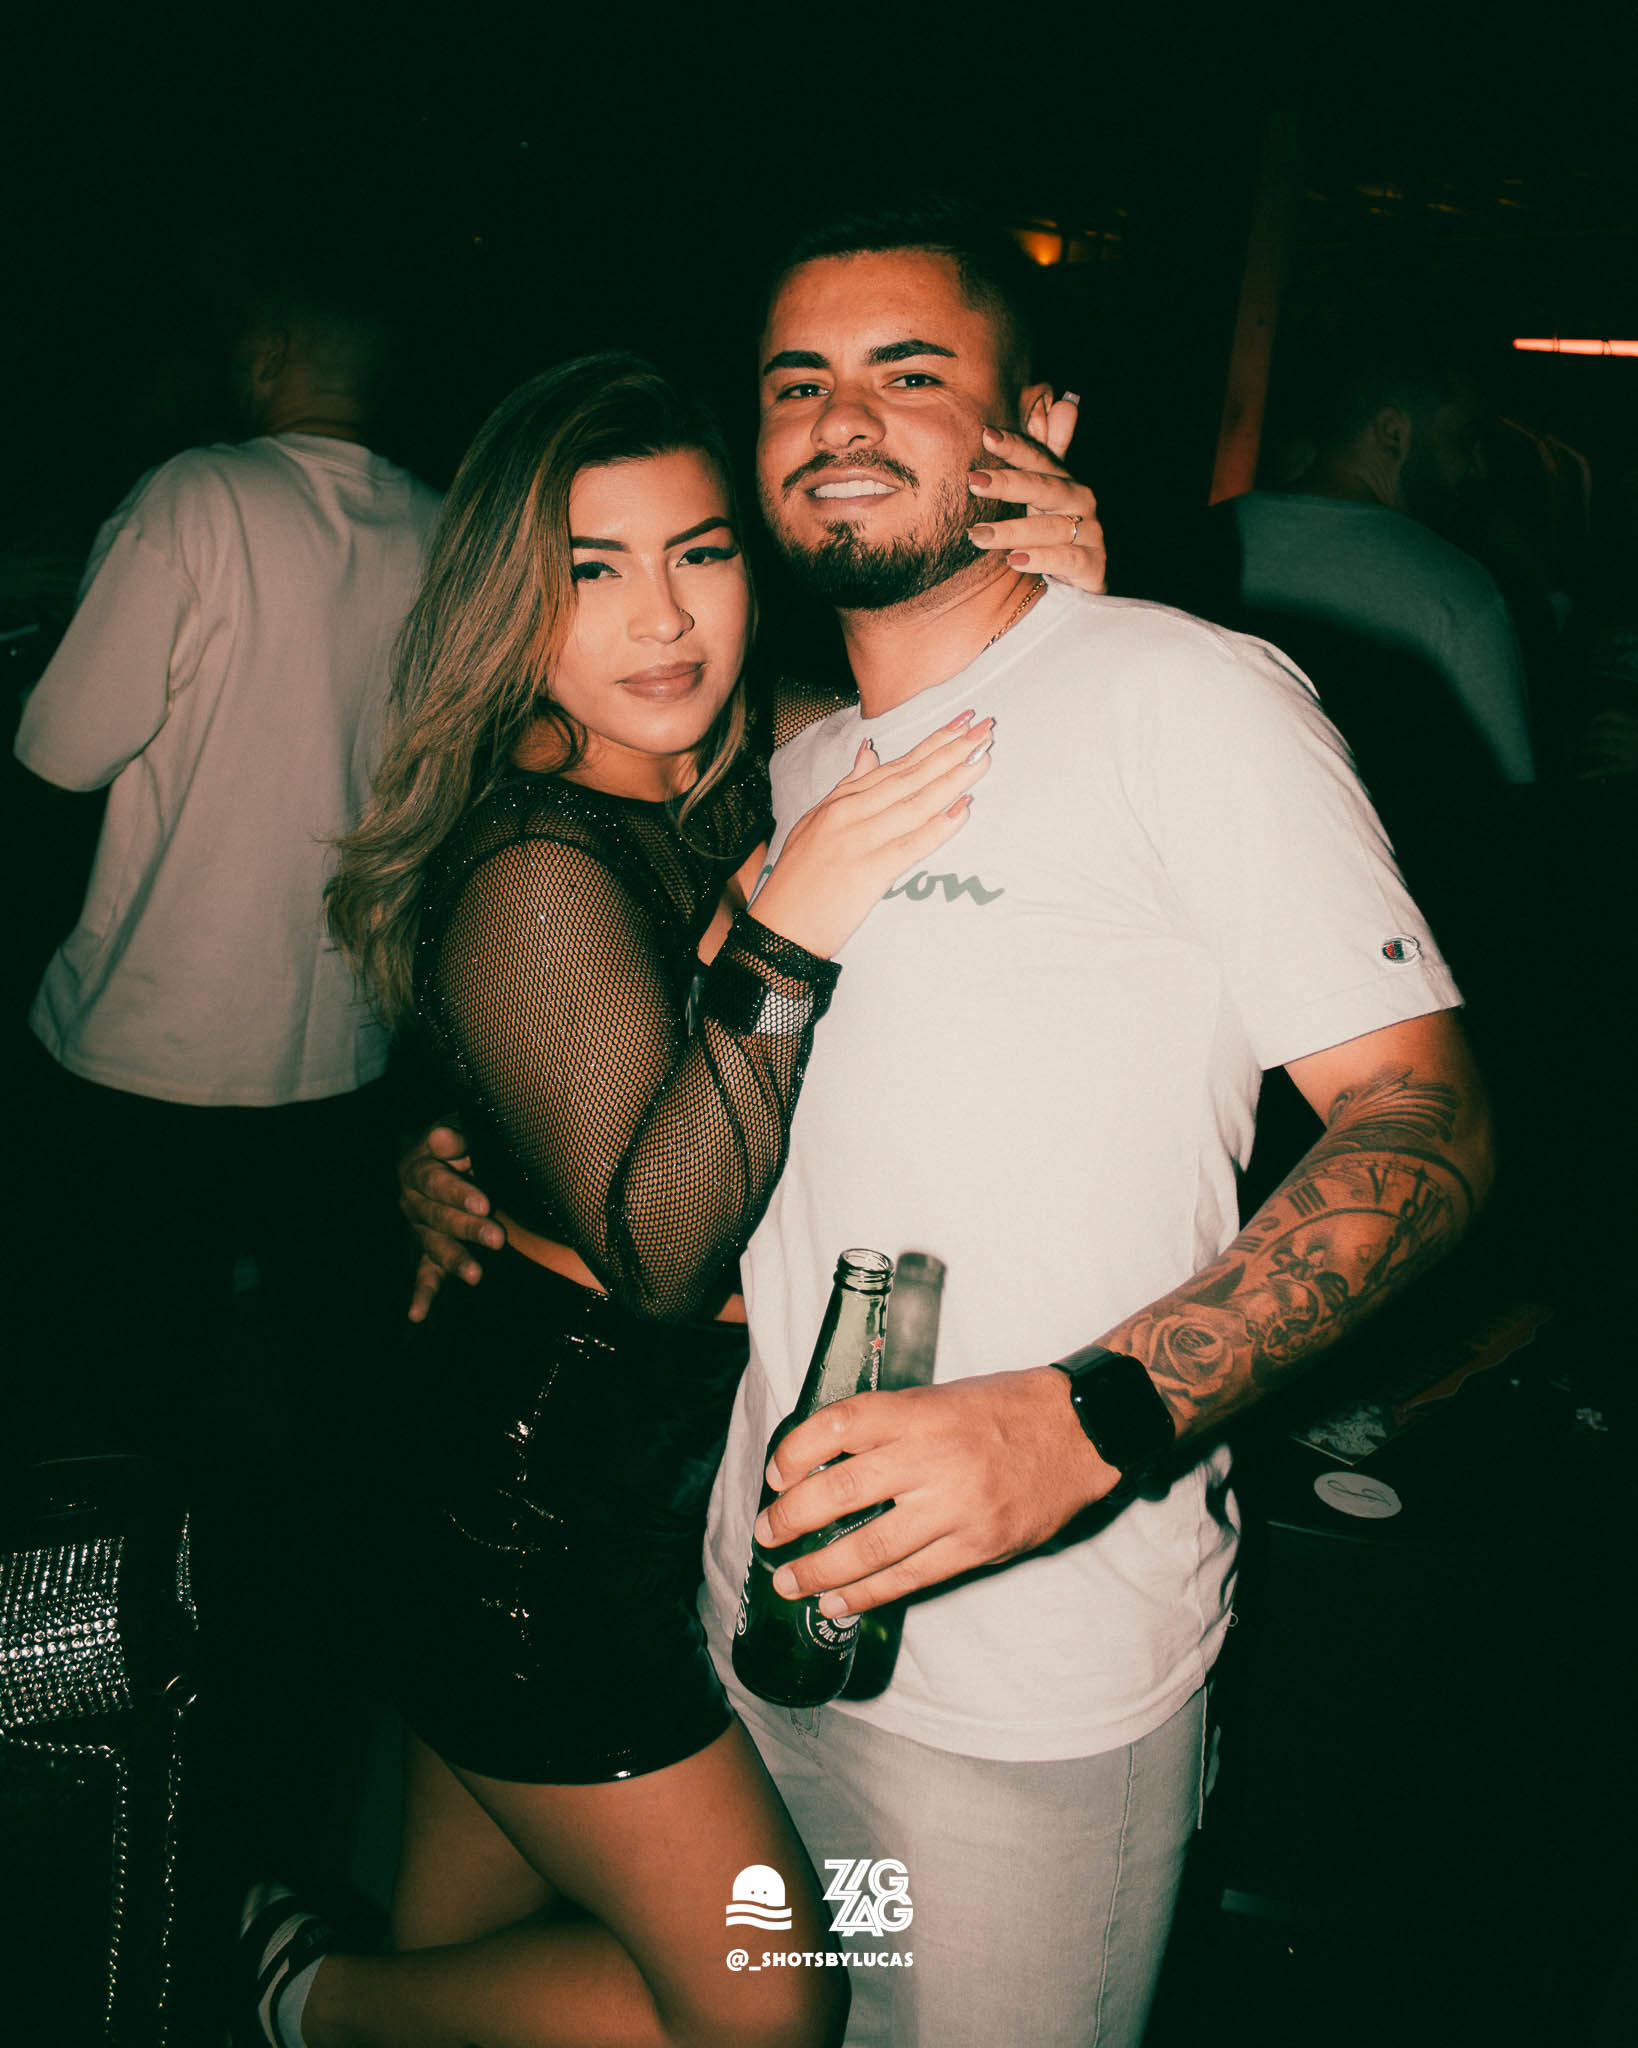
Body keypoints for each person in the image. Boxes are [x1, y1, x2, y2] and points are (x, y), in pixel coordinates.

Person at [405, 207, 1494, 2047]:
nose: (841, 417)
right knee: (780, 2011)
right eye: (796, 384)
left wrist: (1086, 1419)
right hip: (747, 1622)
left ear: (1036, 424)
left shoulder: (1182, 696)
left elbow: (1427, 1121)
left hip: (1037, 1681)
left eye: (908, 373)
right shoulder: (792, 766)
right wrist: (455, 1159)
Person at [243, 351, 1107, 2048]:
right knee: (763, 2007)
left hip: (599, 1476)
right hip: (534, 1512)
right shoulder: (540, 856)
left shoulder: (713, 767)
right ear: (509, 599)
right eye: (593, 568)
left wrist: (1054, 581)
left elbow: (953, 704)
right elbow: (656, 1255)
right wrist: (787, 933)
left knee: (467, 1949)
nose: (662, 618)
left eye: (699, 551)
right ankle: (299, 1992)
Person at [12, 280, 443, 1458]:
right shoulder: (440, 523)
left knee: (119, 1400)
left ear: (270, 351)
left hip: (154, 1042)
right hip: (346, 1050)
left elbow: (60, 748)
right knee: (316, 1396)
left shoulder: (198, 494)